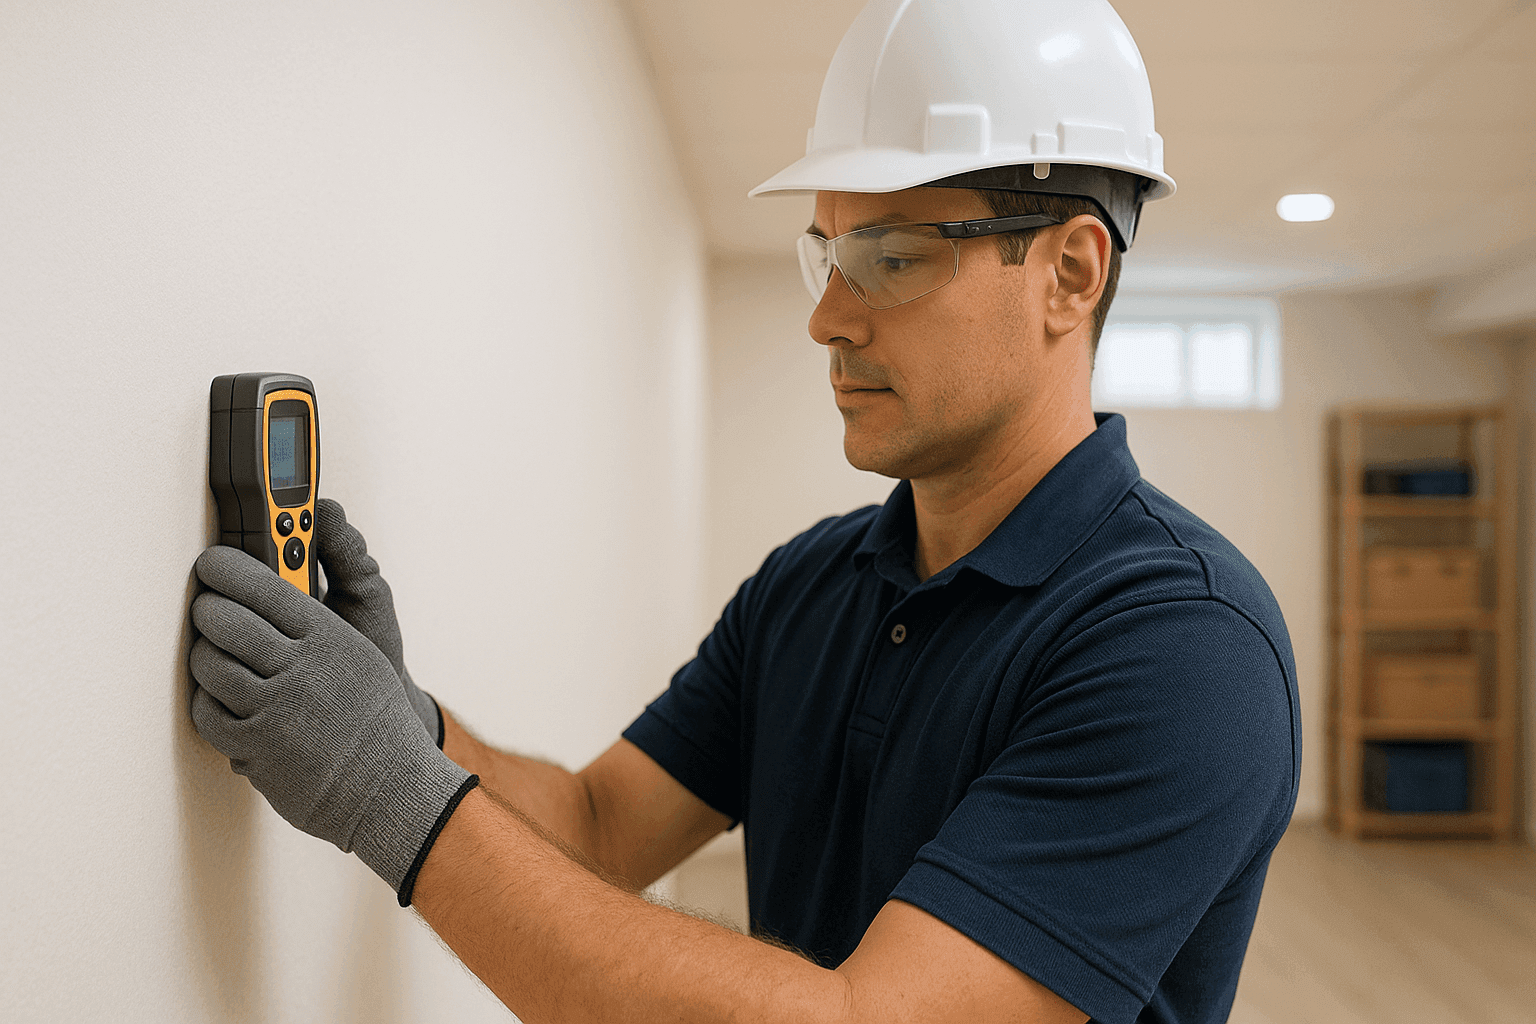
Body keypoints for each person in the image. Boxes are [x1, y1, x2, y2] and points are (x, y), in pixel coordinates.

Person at [187, 1, 1299, 1021]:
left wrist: (382, 788)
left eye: (893, 257)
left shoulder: (1187, 645)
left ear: (1070, 271)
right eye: (828, 254)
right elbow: (598, 827)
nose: (827, 319)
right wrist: (407, 722)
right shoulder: (810, 585)